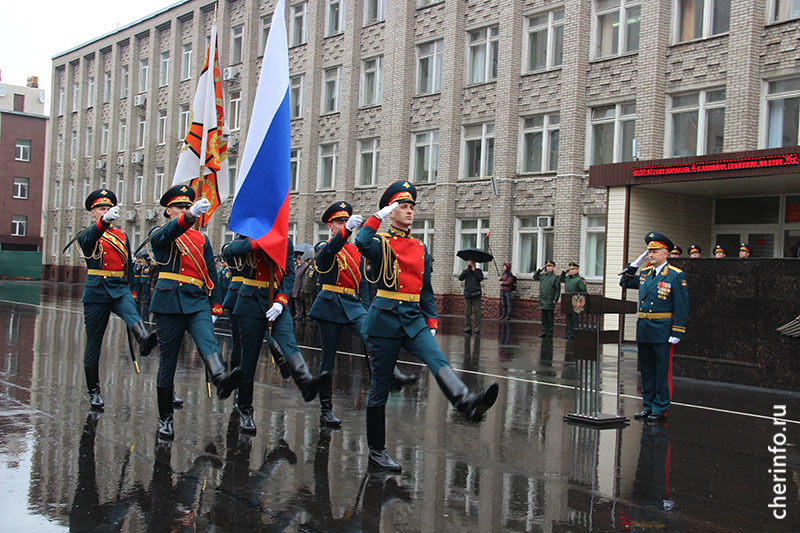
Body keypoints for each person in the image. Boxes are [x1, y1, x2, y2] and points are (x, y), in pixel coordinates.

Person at [355, 180, 499, 472]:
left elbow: (426, 289)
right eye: (402, 207)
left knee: (435, 357)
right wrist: (378, 215)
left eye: (411, 207)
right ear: (391, 211)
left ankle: (465, 401)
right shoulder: (380, 242)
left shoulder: (419, 246)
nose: (409, 211)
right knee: (380, 388)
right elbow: (361, 243)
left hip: (412, 316)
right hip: (383, 318)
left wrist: (431, 320)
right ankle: (377, 452)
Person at [309, 201, 417, 429]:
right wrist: (346, 230)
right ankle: (325, 410)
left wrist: (367, 309)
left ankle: (393, 374)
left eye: (345, 221)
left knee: (373, 336)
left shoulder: (356, 250)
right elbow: (327, 254)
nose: (343, 225)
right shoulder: (324, 245)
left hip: (353, 304)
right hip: (329, 304)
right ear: (330, 226)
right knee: (328, 359)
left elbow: (363, 283)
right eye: (339, 222)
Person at [148, 185, 241, 439]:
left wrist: (215, 303)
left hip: (196, 300)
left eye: (189, 206)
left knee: (207, 340)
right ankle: (165, 418)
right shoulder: (160, 232)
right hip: (168, 302)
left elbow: (211, 272)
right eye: (180, 206)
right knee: (168, 361)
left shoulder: (202, 239)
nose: (186, 210)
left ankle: (221, 378)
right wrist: (187, 218)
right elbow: (162, 238)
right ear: (168, 211)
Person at [223, 233, 329, 434]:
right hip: (249, 301)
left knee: (288, 340)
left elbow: (289, 273)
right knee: (250, 356)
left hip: (275, 301)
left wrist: (281, 300)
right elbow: (229, 253)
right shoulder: (245, 236)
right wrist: (256, 241)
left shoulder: (284, 240)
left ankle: (305, 382)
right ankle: (246, 410)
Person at [77, 189, 158, 410]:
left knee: (132, 313)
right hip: (96, 290)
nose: (106, 211)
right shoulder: (87, 234)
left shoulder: (122, 235)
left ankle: (143, 338)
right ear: (92, 213)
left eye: (108, 208)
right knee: (94, 342)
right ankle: (94, 391)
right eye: (101, 209)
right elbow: (89, 240)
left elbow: (129, 266)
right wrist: (103, 223)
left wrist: (131, 289)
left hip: (119, 286)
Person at [620, 231, 688, 423]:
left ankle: (660, 407)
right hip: (645, 329)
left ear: (665, 253)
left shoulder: (675, 276)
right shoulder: (645, 274)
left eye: (655, 252)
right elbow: (624, 281)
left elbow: (682, 306)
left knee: (661, 372)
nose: (651, 255)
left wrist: (677, 331)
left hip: (662, 330)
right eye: (649, 252)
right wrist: (635, 264)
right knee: (647, 371)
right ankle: (648, 405)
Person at [560, 261, 587, 340]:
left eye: (573, 269)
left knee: (574, 319)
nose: (571, 271)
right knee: (568, 318)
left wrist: (580, 301)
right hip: (567, 300)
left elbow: (583, 291)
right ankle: (569, 333)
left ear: (577, 270)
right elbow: (561, 279)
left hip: (576, 301)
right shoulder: (568, 278)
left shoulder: (580, 279)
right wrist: (564, 272)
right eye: (570, 269)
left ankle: (574, 334)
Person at [534, 260, 560, 338]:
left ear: (553, 267)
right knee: (544, 317)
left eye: (550, 266)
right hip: (543, 299)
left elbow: (557, 289)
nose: (548, 268)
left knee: (550, 317)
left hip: (550, 299)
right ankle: (544, 331)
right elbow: (535, 276)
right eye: (547, 267)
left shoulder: (555, 277)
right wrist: (540, 269)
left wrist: (555, 299)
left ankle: (550, 332)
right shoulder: (543, 275)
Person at [459, 259, 484, 335]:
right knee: (467, 312)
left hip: (476, 294)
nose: (469, 265)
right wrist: (465, 270)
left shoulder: (478, 271)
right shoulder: (466, 272)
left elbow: (481, 278)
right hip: (468, 294)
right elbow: (460, 278)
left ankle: (477, 328)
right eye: (468, 263)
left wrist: (475, 270)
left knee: (477, 312)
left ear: (473, 264)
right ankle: (468, 327)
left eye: (470, 264)